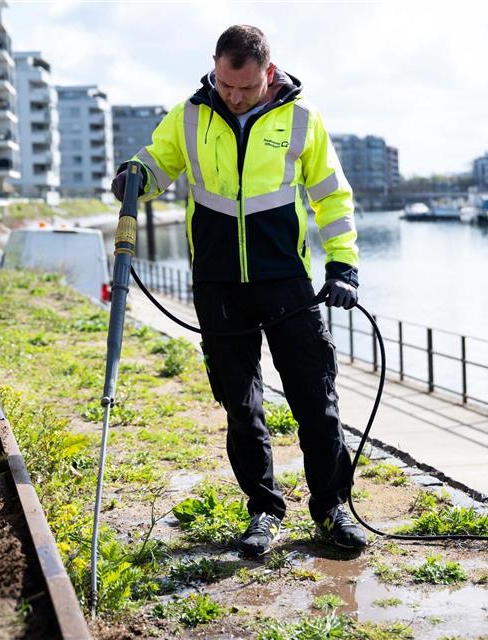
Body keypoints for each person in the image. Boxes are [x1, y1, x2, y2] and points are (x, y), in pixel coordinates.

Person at [111, 25, 365, 556]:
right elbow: (157, 163)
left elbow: (332, 197)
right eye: (225, 84)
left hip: (287, 282)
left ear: (268, 73)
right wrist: (135, 175)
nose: (233, 95)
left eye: (245, 87)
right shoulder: (189, 115)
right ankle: (264, 511)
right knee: (241, 407)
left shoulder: (301, 118)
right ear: (215, 65)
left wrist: (343, 266)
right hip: (218, 283)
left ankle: (332, 507)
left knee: (315, 399)